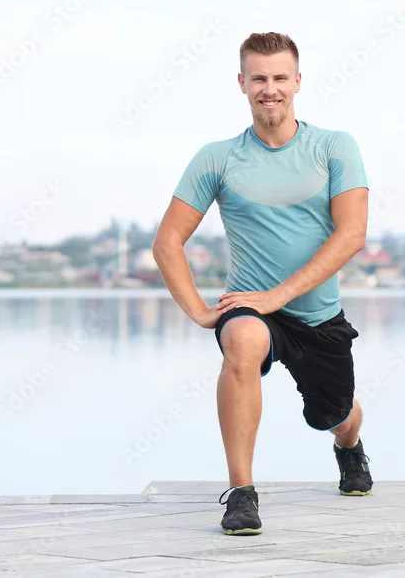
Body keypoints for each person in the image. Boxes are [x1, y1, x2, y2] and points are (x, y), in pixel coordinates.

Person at [152, 32, 373, 536]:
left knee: (335, 415)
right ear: (242, 83)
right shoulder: (217, 157)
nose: (269, 89)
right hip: (251, 307)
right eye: (258, 78)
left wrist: (280, 296)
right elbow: (167, 243)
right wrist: (201, 312)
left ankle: (349, 447)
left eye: (279, 78)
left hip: (318, 317)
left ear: (297, 81)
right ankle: (241, 493)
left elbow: (352, 234)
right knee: (242, 339)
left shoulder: (334, 147)